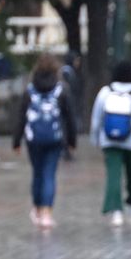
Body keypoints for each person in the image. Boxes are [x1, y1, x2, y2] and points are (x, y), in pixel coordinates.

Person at [12, 54, 77, 229]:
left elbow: (21, 117)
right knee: (49, 174)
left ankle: (37, 209)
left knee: (37, 173)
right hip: (55, 139)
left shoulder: (30, 90)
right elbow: (69, 117)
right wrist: (72, 140)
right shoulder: (61, 89)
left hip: (34, 139)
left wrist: (16, 141)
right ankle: (47, 213)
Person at [90, 60, 131, 227]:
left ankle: (115, 210)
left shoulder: (105, 92)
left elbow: (96, 118)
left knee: (113, 175)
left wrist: (95, 138)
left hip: (109, 140)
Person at [60, 51, 84, 160]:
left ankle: (67, 149)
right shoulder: (67, 72)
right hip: (67, 105)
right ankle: (66, 149)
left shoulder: (67, 71)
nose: (78, 62)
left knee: (67, 126)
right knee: (67, 126)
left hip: (68, 104)